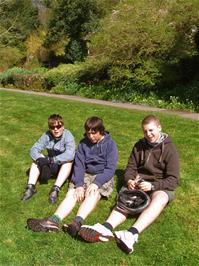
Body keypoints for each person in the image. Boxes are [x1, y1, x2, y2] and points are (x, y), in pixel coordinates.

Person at [79, 114, 180, 254]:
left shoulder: (170, 149)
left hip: (159, 184)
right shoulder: (139, 145)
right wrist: (130, 180)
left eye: (151, 130)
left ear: (159, 128)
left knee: (161, 198)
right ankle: (106, 227)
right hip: (139, 181)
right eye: (145, 131)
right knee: (126, 196)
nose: (148, 134)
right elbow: (130, 168)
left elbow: (174, 179)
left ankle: (131, 233)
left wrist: (153, 186)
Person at [26, 116, 118, 237]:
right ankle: (54, 220)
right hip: (85, 173)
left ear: (101, 130)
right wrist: (79, 185)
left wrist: (96, 183)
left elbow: (110, 168)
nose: (90, 136)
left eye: (93, 133)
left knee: (93, 193)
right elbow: (79, 165)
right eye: (88, 133)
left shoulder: (110, 145)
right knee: (72, 193)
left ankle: (76, 223)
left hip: (101, 174)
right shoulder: (83, 143)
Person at [21, 114, 76, 204]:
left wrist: (51, 160)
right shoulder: (47, 135)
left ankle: (55, 189)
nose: (55, 129)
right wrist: (40, 160)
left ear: (63, 126)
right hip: (52, 163)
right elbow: (34, 149)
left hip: (63, 167)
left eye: (58, 126)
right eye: (52, 127)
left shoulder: (68, 135)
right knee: (36, 160)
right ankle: (31, 187)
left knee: (68, 162)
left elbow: (70, 154)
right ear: (49, 127)